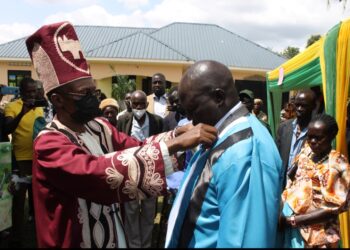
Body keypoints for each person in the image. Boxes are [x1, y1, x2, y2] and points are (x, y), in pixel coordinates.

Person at [25, 21, 217, 248]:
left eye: (94, 89)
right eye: (84, 93)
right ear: (58, 100)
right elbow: (95, 174)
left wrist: (176, 134)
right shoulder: (49, 143)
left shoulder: (97, 127)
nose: (93, 97)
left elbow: (136, 146)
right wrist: (174, 145)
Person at [165, 60, 283, 248]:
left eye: (193, 110)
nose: (192, 121)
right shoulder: (221, 134)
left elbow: (245, 239)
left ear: (218, 98)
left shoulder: (244, 149)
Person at [278, 114, 350, 248]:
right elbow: (292, 179)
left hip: (319, 236)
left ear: (331, 136)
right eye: (309, 137)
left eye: (318, 138)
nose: (312, 141)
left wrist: (293, 220)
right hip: (293, 229)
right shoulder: (307, 152)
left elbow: (332, 209)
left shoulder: (338, 164)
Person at [117, 90, 163, 248]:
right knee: (131, 211)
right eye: (135, 104)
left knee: (149, 212)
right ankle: (134, 244)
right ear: (130, 104)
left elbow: (161, 146)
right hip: (129, 172)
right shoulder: (123, 120)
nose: (138, 107)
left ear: (147, 104)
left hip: (151, 173)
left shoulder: (157, 121)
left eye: (141, 104)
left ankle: (146, 244)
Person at [4, 77, 44, 247]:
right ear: (21, 91)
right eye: (28, 91)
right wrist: (23, 112)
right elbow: (7, 129)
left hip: (38, 160)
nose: (32, 95)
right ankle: (16, 238)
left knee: (39, 201)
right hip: (19, 161)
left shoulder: (40, 109)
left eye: (34, 91)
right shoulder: (12, 107)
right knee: (19, 202)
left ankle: (40, 236)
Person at [276, 89, 317, 185]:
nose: (299, 108)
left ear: (313, 106)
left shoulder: (317, 132)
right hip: (281, 185)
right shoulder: (283, 127)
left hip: (302, 188)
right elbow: (276, 156)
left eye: (303, 106)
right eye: (297, 104)